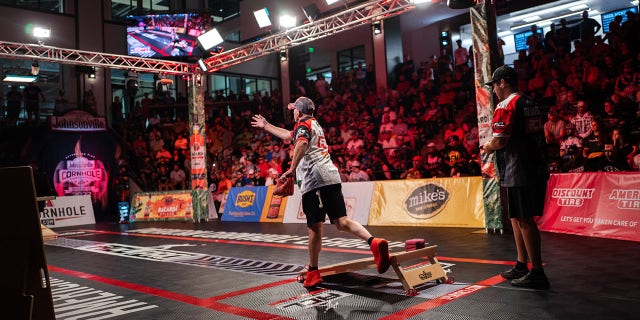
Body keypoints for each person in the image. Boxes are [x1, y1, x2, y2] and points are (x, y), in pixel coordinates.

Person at [251, 96, 390, 288]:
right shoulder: (313, 124)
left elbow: (300, 143)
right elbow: (287, 135)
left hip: (314, 180)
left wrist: (291, 170)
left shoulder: (302, 125)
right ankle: (373, 242)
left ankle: (313, 272)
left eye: (294, 110)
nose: (293, 112)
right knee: (341, 221)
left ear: (298, 112)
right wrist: (267, 125)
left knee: (314, 227)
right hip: (331, 176)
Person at [482, 65, 550, 290]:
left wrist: (487, 147)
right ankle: (522, 264)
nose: (493, 91)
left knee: (524, 220)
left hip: (518, 168)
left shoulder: (506, 105)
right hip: (535, 164)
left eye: (494, 86)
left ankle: (537, 271)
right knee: (516, 217)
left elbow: (500, 141)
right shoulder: (531, 102)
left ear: (503, 83)